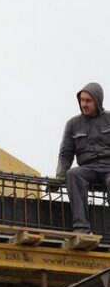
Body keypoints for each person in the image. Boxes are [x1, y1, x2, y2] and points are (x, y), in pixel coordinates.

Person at [54, 82, 110, 234]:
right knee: (72, 174)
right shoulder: (72, 124)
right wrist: (59, 177)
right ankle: (81, 228)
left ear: (98, 101)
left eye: (88, 101)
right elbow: (65, 154)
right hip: (88, 169)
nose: (84, 104)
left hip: (109, 168)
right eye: (82, 100)